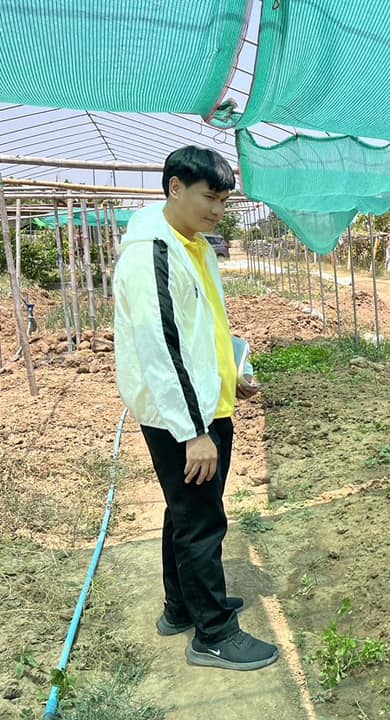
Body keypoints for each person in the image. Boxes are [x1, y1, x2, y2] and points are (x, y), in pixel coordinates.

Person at [113, 146, 279, 671]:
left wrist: (235, 373)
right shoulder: (153, 253)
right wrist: (194, 433)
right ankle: (212, 633)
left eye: (225, 201)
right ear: (174, 187)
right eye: (210, 197)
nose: (217, 210)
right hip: (181, 417)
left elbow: (205, 327)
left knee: (185, 511)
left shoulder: (193, 245)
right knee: (202, 521)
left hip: (203, 404)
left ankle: (181, 605)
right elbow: (161, 347)